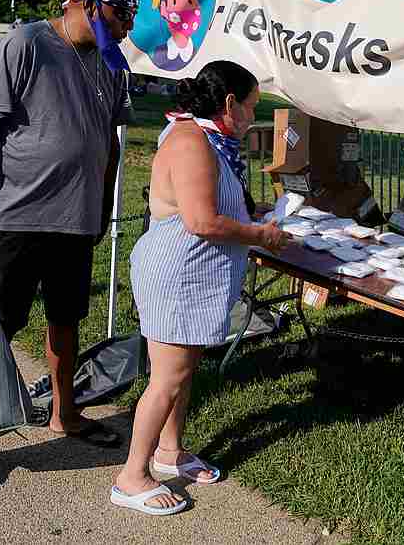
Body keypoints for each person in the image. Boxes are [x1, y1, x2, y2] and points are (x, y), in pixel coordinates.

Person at [0, 0, 139, 505]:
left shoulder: (111, 62)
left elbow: (111, 141)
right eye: (122, 10)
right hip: (14, 218)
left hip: (75, 222)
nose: (127, 23)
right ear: (88, 2)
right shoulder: (26, 43)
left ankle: (64, 411)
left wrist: (100, 204)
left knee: (66, 320)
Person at [111, 61, 290, 516]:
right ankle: (131, 475)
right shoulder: (193, 141)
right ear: (229, 103)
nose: (254, 116)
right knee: (166, 380)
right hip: (176, 278)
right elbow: (201, 221)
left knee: (181, 374)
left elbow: (213, 203)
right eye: (251, 107)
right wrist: (261, 236)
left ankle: (168, 452)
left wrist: (253, 214)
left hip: (193, 278)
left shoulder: (210, 139)